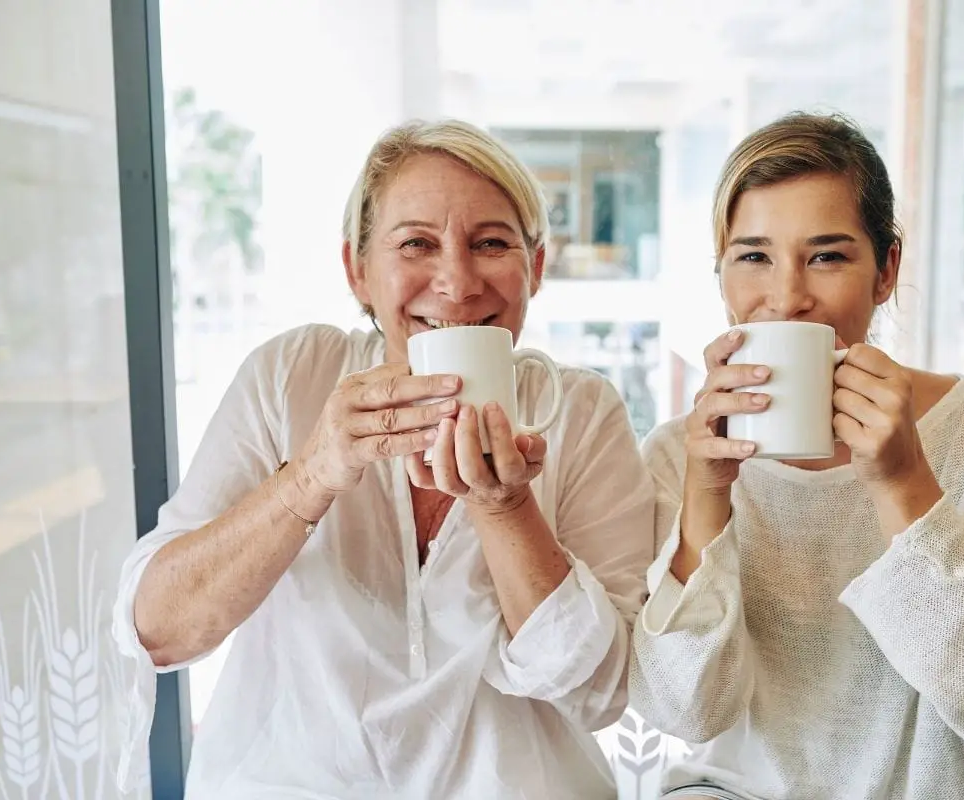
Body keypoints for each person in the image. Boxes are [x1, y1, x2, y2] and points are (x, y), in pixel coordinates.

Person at [112, 119, 655, 799]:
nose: (456, 283)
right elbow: (158, 630)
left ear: (535, 269)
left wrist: (505, 509)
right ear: (358, 271)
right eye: (416, 243)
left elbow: (602, 691)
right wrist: (312, 476)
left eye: (491, 243)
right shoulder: (291, 376)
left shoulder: (581, 410)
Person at [629, 112, 964, 799]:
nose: (787, 298)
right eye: (753, 256)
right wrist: (706, 501)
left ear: (886, 268)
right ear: (720, 276)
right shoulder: (678, 455)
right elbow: (686, 713)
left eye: (827, 255)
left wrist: (904, 486)